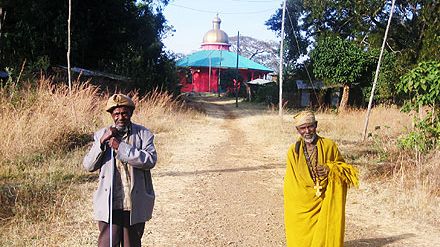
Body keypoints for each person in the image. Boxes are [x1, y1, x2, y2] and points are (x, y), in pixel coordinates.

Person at [83, 94, 157, 247]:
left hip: (133, 202)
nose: (121, 117)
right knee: (107, 244)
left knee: (132, 244)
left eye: (124, 113)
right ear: (111, 115)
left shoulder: (143, 134)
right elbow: (89, 166)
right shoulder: (101, 135)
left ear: (130, 113)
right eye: (116, 114)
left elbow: (150, 160)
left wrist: (120, 147)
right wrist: (102, 142)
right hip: (110, 202)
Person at [283, 110, 358, 247]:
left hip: (325, 201)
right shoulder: (293, 151)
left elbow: (346, 171)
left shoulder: (329, 146)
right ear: (297, 130)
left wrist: (331, 169)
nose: (307, 131)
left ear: (316, 125)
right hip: (301, 205)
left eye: (310, 126)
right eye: (302, 128)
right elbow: (291, 184)